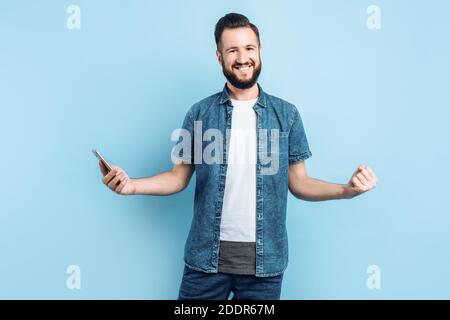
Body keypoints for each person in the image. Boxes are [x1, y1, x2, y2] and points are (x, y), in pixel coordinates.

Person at [98, 13, 378, 300]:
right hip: (204, 263)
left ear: (259, 52)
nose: (242, 57)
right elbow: (177, 177)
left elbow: (300, 183)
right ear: (220, 57)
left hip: (265, 266)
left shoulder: (287, 115)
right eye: (232, 50)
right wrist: (132, 186)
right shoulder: (199, 114)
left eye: (249, 48)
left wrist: (346, 190)